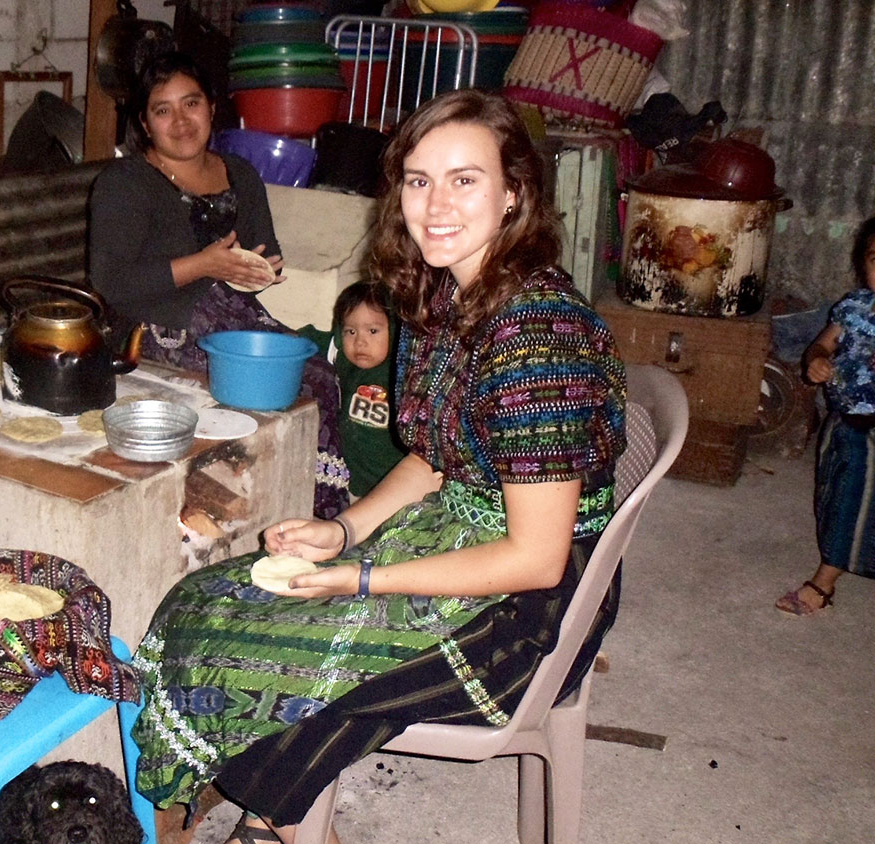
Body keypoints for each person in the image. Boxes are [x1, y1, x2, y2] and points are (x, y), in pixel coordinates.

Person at [129, 89, 626, 844]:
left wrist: (360, 577)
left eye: (465, 179)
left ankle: (271, 818)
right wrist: (345, 529)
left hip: (522, 612)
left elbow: (535, 557)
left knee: (252, 656)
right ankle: (271, 817)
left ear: (514, 194)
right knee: (201, 603)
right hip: (456, 534)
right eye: (419, 180)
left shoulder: (538, 338)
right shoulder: (447, 297)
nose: (434, 204)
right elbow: (435, 457)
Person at [88, 51, 349, 519]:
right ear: (145, 124)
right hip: (154, 329)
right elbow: (111, 283)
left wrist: (259, 269)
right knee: (296, 387)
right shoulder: (124, 182)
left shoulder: (241, 174)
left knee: (322, 378)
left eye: (191, 104)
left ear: (211, 107)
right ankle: (287, 512)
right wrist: (205, 265)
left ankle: (313, 512)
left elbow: (260, 248)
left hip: (230, 317)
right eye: (162, 110)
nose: (180, 121)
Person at [774, 215, 875, 616]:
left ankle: (823, 583)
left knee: (855, 501)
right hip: (842, 420)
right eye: (874, 258)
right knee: (833, 496)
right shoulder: (854, 307)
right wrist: (816, 361)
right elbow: (821, 346)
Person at [295, 283, 406, 499]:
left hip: (393, 487)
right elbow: (313, 339)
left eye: (373, 331)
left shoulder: (402, 372)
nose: (360, 342)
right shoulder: (344, 358)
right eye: (350, 331)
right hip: (351, 482)